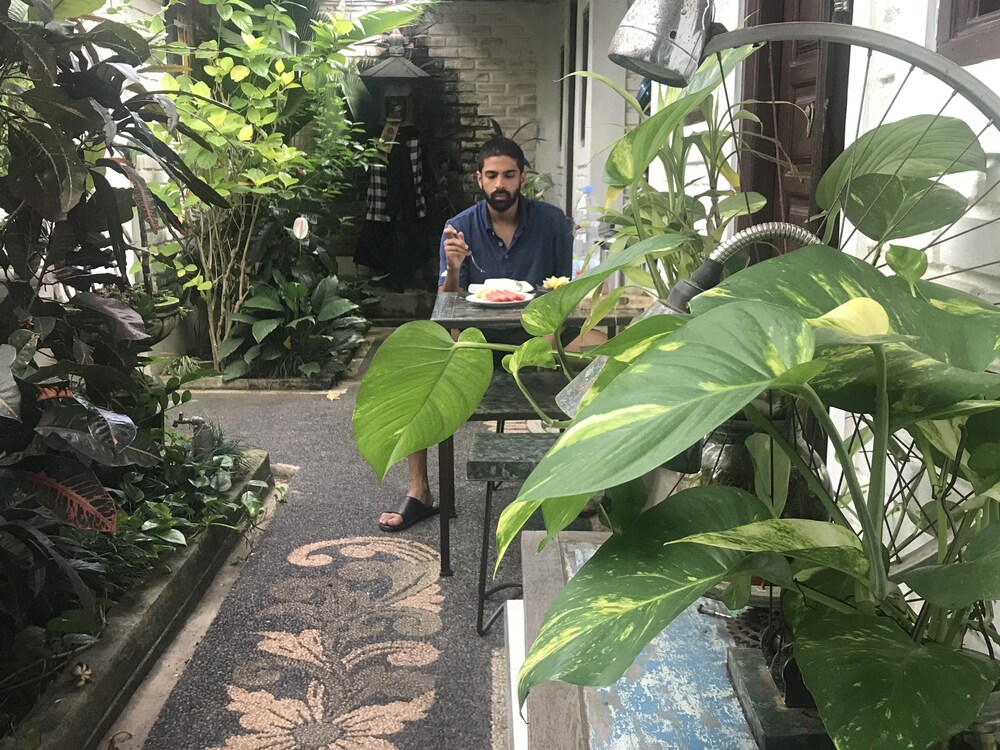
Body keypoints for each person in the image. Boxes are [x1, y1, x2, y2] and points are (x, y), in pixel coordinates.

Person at [378, 136, 573, 531]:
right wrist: (453, 268)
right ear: (479, 179)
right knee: (417, 375)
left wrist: (549, 347)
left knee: (593, 372)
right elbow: (445, 305)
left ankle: (573, 484)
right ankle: (420, 491)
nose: (500, 184)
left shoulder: (553, 223)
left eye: (509, 175)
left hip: (536, 341)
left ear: (523, 177)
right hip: (478, 343)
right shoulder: (460, 227)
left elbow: (564, 293)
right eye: (492, 175)